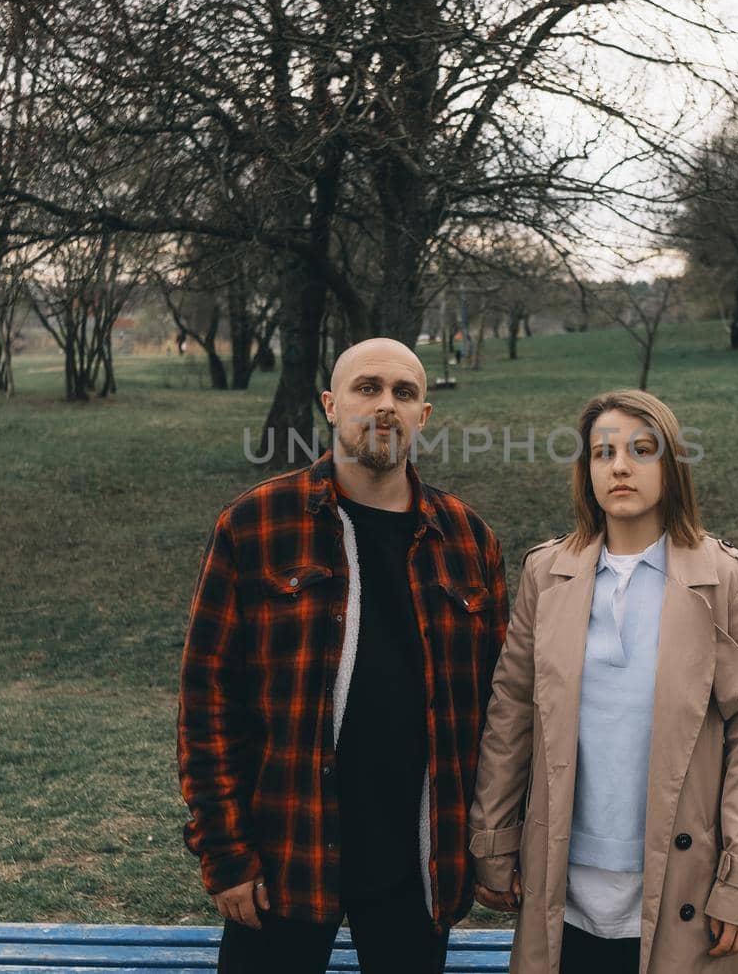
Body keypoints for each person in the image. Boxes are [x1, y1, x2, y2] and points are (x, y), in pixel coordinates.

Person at [177, 337, 510, 974]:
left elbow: (499, 716)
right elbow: (207, 706)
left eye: (403, 393)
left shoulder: (468, 539)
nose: (385, 405)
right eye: (367, 388)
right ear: (331, 404)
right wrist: (223, 852)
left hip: (417, 860)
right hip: (285, 852)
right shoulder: (255, 525)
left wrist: (491, 844)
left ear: (423, 416)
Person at [469, 389, 738, 974]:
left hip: (683, 887)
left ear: (672, 466)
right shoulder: (546, 572)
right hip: (563, 884)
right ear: (586, 472)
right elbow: (511, 713)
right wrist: (495, 838)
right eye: (602, 452)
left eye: (641, 450)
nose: (620, 466)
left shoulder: (728, 582)